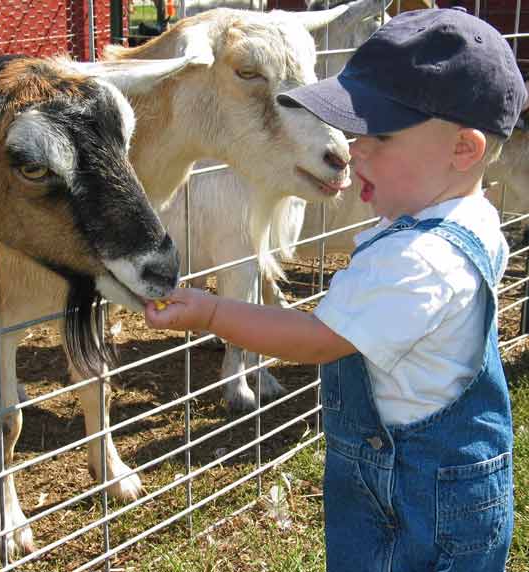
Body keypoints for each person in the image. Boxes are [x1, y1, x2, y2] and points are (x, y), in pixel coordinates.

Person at [144, 7, 526, 572]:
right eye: (355, 129)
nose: (353, 148)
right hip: (448, 484)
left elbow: (316, 341)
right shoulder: (472, 218)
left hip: (413, 502)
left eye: (380, 134)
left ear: (463, 150)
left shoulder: (417, 260)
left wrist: (211, 310)